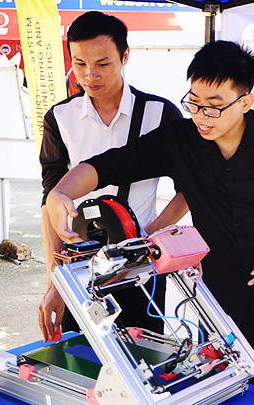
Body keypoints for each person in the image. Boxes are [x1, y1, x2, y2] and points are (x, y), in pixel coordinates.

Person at [46, 40, 254, 405]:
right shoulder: (180, 141)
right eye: (194, 102)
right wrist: (61, 192)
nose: (201, 115)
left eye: (214, 106)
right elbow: (107, 165)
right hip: (224, 305)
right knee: (230, 397)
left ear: (245, 101)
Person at [38, 11, 187, 342]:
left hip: (142, 268)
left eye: (103, 64)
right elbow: (51, 201)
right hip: (82, 268)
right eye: (79, 64)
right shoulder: (60, 117)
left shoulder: (159, 114)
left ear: (125, 56)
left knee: (142, 355)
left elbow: (188, 189)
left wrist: (150, 232)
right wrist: (55, 282)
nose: (89, 75)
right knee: (83, 356)